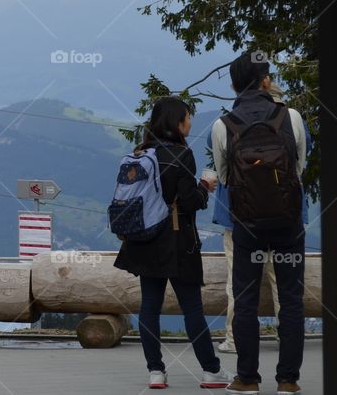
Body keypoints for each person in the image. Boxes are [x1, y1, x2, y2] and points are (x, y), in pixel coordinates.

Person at [114, 97, 233, 390]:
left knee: (149, 306)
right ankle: (211, 371)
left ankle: (155, 371)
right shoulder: (181, 154)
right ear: (176, 122)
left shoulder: (141, 152)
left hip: (143, 239)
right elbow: (191, 202)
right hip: (178, 241)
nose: (190, 122)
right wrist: (205, 187)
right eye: (187, 117)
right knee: (192, 307)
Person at [212, 53, 307, 395]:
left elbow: (224, 178)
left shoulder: (223, 125)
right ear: (266, 82)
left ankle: (247, 379)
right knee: (292, 300)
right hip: (288, 223)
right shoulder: (291, 116)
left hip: (247, 225)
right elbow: (298, 170)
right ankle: (288, 380)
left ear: (235, 85)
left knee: (246, 300)